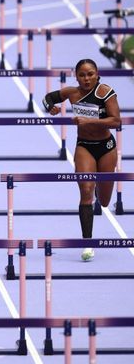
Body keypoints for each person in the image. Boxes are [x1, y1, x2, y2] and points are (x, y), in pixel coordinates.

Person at [42, 58, 121, 262]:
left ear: (97, 74)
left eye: (90, 74)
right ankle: (87, 243)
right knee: (86, 191)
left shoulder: (105, 92)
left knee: (103, 201)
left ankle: (98, 187)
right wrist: (50, 107)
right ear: (76, 76)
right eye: (82, 75)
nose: (87, 78)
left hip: (106, 148)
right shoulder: (72, 93)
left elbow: (116, 121)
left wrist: (90, 120)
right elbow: (47, 98)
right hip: (84, 146)